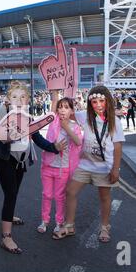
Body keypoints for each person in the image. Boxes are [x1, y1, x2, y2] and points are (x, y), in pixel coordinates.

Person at [0, 82, 66, 254]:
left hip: (21, 161)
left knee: (13, 192)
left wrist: (54, 147)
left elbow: (37, 138)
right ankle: (6, 237)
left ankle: (8, 216)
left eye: (23, 97)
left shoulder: (29, 117)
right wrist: (6, 136)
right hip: (5, 159)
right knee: (10, 193)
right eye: (15, 97)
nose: (19, 100)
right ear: (8, 99)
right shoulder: (0, 115)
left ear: (28, 101)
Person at [53, 86, 125, 243]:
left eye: (101, 101)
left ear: (107, 101)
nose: (98, 105)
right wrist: (56, 94)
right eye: (94, 102)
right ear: (90, 103)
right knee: (71, 191)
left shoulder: (115, 122)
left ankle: (105, 227)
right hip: (85, 165)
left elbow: (118, 146)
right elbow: (64, 110)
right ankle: (70, 225)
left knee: (104, 197)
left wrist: (116, 169)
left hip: (104, 167)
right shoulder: (84, 116)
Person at [37, 90, 82, 234]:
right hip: (48, 166)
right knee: (47, 195)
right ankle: (44, 220)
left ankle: (59, 222)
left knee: (59, 197)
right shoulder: (54, 121)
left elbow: (78, 141)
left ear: (72, 111)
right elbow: (54, 104)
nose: (62, 109)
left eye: (66, 107)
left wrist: (66, 127)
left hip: (64, 168)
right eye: (60, 106)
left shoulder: (74, 126)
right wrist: (55, 92)